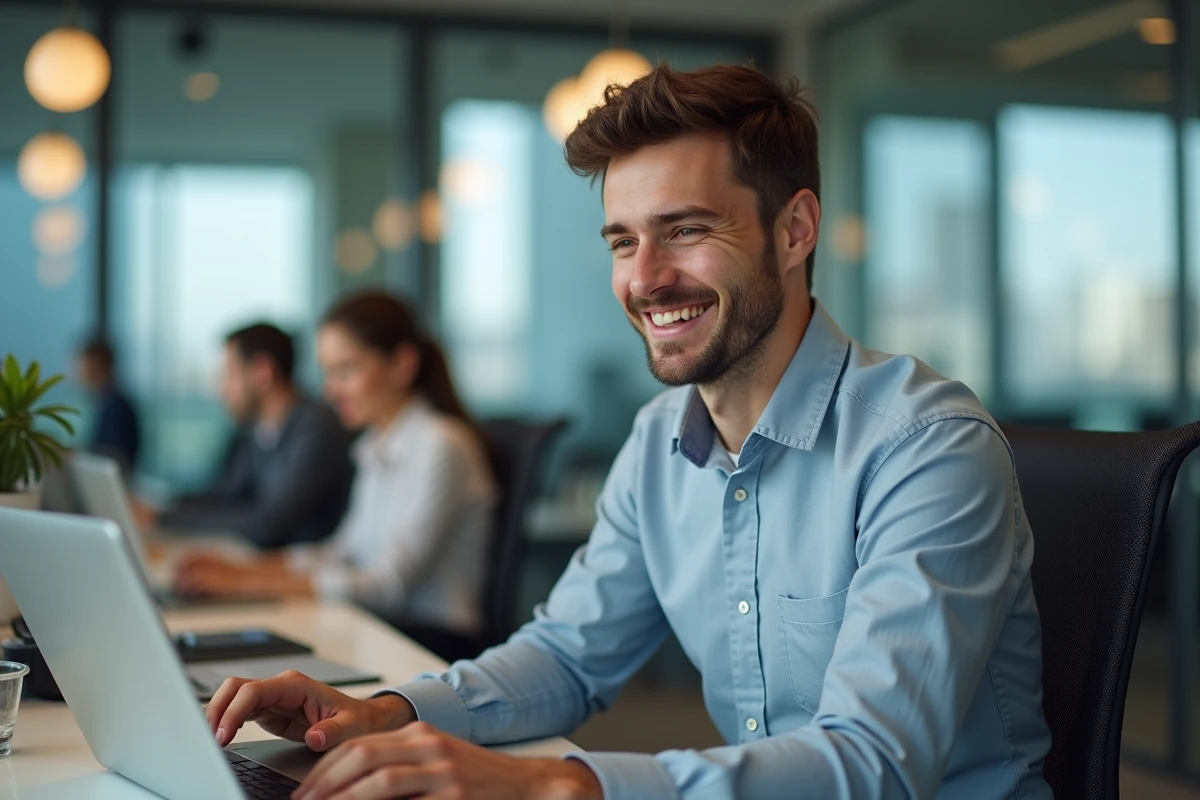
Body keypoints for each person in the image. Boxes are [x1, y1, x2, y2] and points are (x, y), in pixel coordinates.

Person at [202, 64, 1053, 800]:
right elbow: (569, 656)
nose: (644, 279)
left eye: (686, 230)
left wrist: (560, 782)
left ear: (795, 231)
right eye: (622, 241)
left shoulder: (925, 446)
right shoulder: (658, 442)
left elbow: (877, 764)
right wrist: (383, 713)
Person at [174, 293, 497, 661]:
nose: (330, 390)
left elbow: (387, 585)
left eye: (346, 371)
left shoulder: (442, 444)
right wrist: (245, 569)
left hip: (430, 642)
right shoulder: (376, 444)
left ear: (402, 364)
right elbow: (344, 552)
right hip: (381, 628)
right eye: (328, 372)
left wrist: (244, 583)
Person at [149, 323, 354, 549]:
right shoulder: (259, 428)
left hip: (296, 565)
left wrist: (161, 519)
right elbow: (227, 495)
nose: (222, 390)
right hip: (267, 560)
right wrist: (159, 508)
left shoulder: (317, 427)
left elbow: (268, 524)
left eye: (229, 375)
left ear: (262, 372)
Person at [77, 336, 140, 472]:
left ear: (96, 363)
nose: (79, 371)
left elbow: (116, 457)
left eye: (82, 363)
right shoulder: (105, 402)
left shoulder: (116, 407)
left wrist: (77, 455)